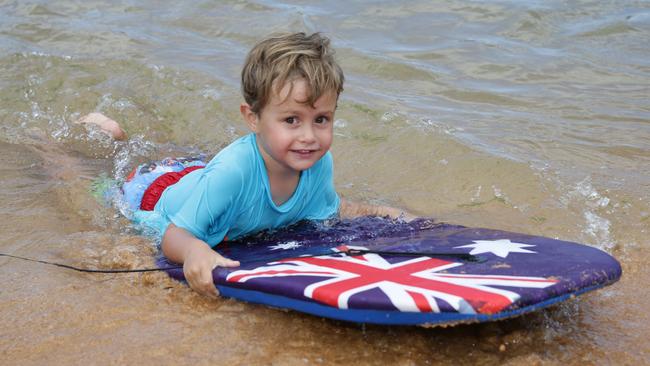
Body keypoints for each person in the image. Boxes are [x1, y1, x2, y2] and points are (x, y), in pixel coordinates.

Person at [83, 32, 413, 298]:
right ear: (252, 118)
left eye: (321, 119)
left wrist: (386, 214)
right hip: (152, 193)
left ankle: (126, 140)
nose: (309, 136)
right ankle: (96, 137)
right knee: (91, 176)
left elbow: (327, 214)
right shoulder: (234, 172)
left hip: (199, 177)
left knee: (186, 160)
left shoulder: (319, 163)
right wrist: (195, 252)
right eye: (292, 120)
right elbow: (174, 236)